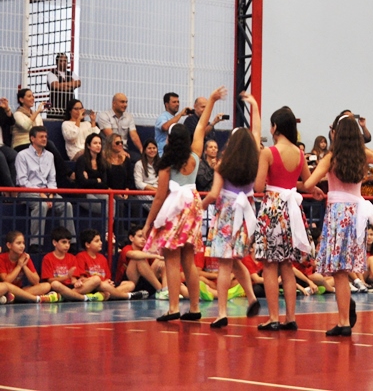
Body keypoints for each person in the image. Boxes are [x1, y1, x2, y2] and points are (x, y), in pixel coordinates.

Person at [143, 86, 226, 322]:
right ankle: (195, 308)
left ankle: (173, 308)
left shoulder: (167, 162)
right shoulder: (195, 155)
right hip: (193, 204)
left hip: (174, 207)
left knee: (171, 258)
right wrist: (211, 100)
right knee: (189, 260)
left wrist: (149, 222)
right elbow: (201, 126)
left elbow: (159, 197)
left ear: (169, 139)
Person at [305, 112, 373, 336]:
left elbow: (309, 182)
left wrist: (314, 186)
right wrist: (362, 148)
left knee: (339, 271)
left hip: (337, 212)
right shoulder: (362, 156)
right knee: (346, 267)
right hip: (355, 213)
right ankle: (344, 317)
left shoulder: (332, 158)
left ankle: (343, 322)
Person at [201, 93, 263, 328]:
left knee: (225, 265)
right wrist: (255, 107)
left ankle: (222, 312)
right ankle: (252, 298)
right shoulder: (255, 159)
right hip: (246, 215)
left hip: (227, 216)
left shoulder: (222, 165)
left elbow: (214, 194)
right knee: (237, 261)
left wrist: (200, 205)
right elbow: (256, 133)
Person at [252, 106, 315, 331]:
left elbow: (259, 186)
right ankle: (290, 317)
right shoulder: (299, 153)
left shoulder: (268, 152)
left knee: (270, 265)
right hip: (292, 209)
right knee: (287, 265)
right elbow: (306, 183)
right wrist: (313, 189)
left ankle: (272, 317)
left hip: (273, 207)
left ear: (275, 127)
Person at [16, 126, 75, 247]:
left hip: (48, 192)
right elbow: (22, 181)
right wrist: (41, 194)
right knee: (41, 205)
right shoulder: (22, 155)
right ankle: (35, 243)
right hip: (27, 191)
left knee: (66, 205)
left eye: (46, 137)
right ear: (32, 138)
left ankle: (69, 241)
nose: (44, 139)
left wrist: (51, 193)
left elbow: (52, 179)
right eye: (41, 137)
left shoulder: (50, 156)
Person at [72, 228, 147, 300]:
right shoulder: (81, 256)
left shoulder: (102, 258)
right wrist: (100, 282)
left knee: (130, 284)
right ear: (87, 244)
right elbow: (81, 279)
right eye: (97, 241)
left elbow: (107, 277)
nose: (101, 243)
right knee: (97, 280)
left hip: (104, 286)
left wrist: (108, 282)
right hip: (92, 285)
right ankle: (126, 296)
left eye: (100, 240)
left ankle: (106, 295)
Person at [0, 231, 58, 302]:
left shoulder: (25, 257)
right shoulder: (2, 258)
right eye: (18, 243)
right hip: (6, 288)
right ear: (9, 245)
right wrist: (19, 266)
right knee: (5, 286)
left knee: (46, 286)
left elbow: (36, 281)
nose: (22, 246)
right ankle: (36, 299)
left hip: (20, 289)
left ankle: (14, 297)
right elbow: (7, 281)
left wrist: (24, 266)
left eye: (23, 243)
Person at [45, 53, 81, 120]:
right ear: (57, 62)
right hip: (56, 107)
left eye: (65, 61)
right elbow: (55, 85)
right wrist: (71, 85)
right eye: (61, 61)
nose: (63, 63)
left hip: (69, 107)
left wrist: (62, 85)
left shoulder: (71, 73)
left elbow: (78, 83)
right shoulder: (51, 73)